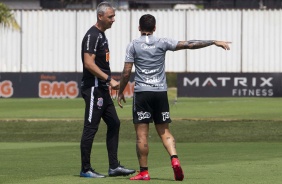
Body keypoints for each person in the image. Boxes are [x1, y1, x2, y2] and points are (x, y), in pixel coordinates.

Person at [117, 14, 231, 181]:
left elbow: (127, 72)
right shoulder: (162, 42)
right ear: (154, 28)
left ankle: (144, 172)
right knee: (165, 131)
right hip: (160, 93)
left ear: (139, 28)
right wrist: (213, 41)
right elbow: (189, 44)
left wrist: (120, 91)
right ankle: (174, 159)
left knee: (142, 135)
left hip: (142, 93)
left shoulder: (133, 45)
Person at [79, 1, 135, 178]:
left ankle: (114, 167)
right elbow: (88, 63)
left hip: (102, 89)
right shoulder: (92, 35)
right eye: (111, 16)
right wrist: (109, 79)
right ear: (100, 16)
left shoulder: (102, 35)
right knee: (90, 128)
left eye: (114, 16)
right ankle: (86, 169)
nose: (113, 20)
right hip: (94, 88)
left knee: (114, 123)